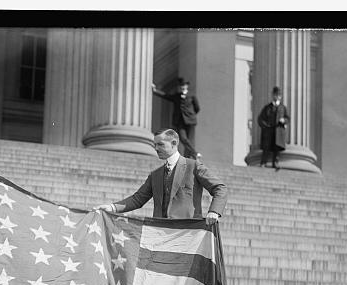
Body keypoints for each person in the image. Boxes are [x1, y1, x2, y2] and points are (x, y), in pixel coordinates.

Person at [95, 128, 227, 223]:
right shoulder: (155, 175)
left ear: (174, 143)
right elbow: (137, 199)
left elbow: (220, 188)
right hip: (160, 233)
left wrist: (214, 211)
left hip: (188, 232)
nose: (156, 148)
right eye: (154, 145)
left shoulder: (194, 166)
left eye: (160, 144)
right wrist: (112, 207)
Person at [152, 78, 201, 159]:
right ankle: (195, 153)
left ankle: (187, 158)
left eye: (184, 85)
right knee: (183, 139)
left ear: (187, 86)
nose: (183, 87)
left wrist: (190, 115)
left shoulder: (192, 96)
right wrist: (155, 90)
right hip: (180, 122)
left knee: (188, 141)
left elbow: (197, 108)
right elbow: (166, 96)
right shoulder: (177, 96)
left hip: (190, 121)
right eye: (181, 85)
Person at [257, 86, 290, 170]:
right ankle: (263, 163)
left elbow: (287, 118)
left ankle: (275, 163)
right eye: (275, 95)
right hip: (269, 131)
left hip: (278, 131)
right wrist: (265, 126)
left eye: (278, 95)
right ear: (273, 95)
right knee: (266, 147)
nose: (277, 96)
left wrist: (284, 120)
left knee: (276, 147)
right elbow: (260, 119)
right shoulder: (267, 107)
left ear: (280, 96)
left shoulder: (283, 108)